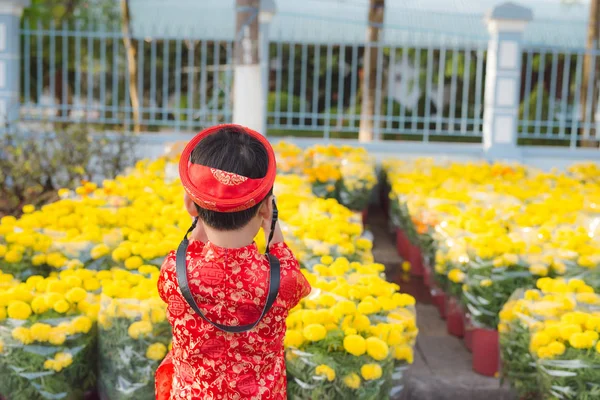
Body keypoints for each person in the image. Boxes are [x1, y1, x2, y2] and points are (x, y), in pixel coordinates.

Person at [155, 124, 312, 400]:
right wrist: (273, 233)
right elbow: (295, 280)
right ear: (265, 207)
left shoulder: (173, 271)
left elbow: (194, 252)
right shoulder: (282, 280)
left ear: (190, 206)